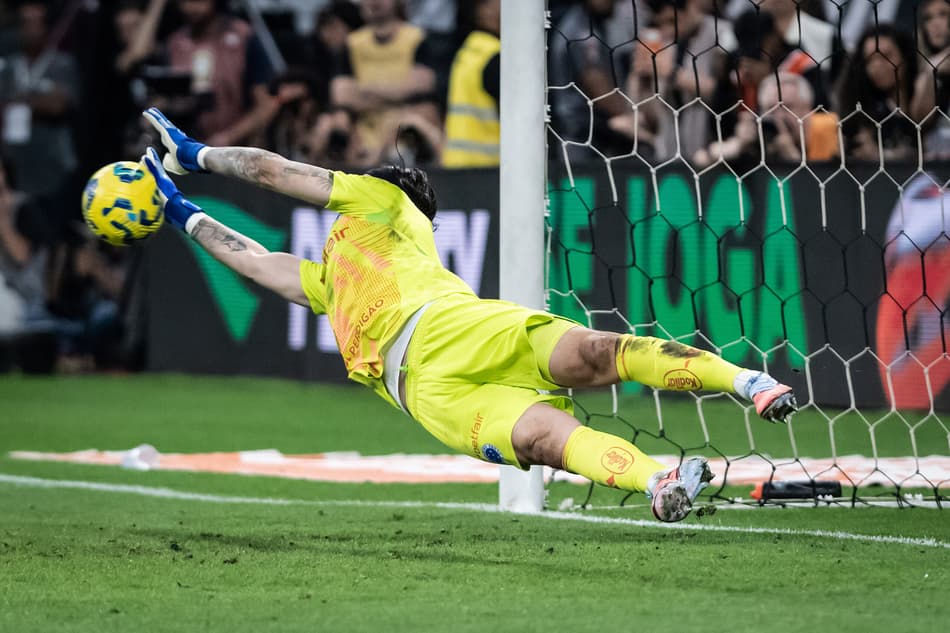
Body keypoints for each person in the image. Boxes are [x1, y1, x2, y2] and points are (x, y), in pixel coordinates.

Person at [140, 106, 798, 523]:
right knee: (546, 443)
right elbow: (255, 260)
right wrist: (177, 209)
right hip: (424, 392)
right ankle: (658, 482)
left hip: (451, 325)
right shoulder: (327, 281)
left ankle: (747, 382)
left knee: (595, 354)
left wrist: (195, 154)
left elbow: (271, 170)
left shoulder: (381, 203)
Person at [329, 0, 440, 167]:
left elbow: (422, 88)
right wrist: (399, 92)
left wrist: (366, 90)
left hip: (405, 125)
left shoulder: (416, 37)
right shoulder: (353, 43)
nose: (375, 2)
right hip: (365, 127)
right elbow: (341, 95)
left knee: (425, 111)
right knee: (334, 121)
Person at [164, 0, 274, 147]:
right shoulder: (175, 44)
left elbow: (266, 104)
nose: (192, 8)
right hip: (185, 149)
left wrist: (229, 137)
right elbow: (162, 99)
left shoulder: (243, 36)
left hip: (238, 149)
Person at [836, 23, 918, 162]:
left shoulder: (924, 99)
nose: (877, 65)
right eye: (870, 59)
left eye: (886, 56)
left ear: (905, 56)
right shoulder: (861, 112)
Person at [442, 0, 500, 167]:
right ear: (482, 11)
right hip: (489, 169)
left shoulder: (468, 50)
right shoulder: (494, 56)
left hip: (456, 162)